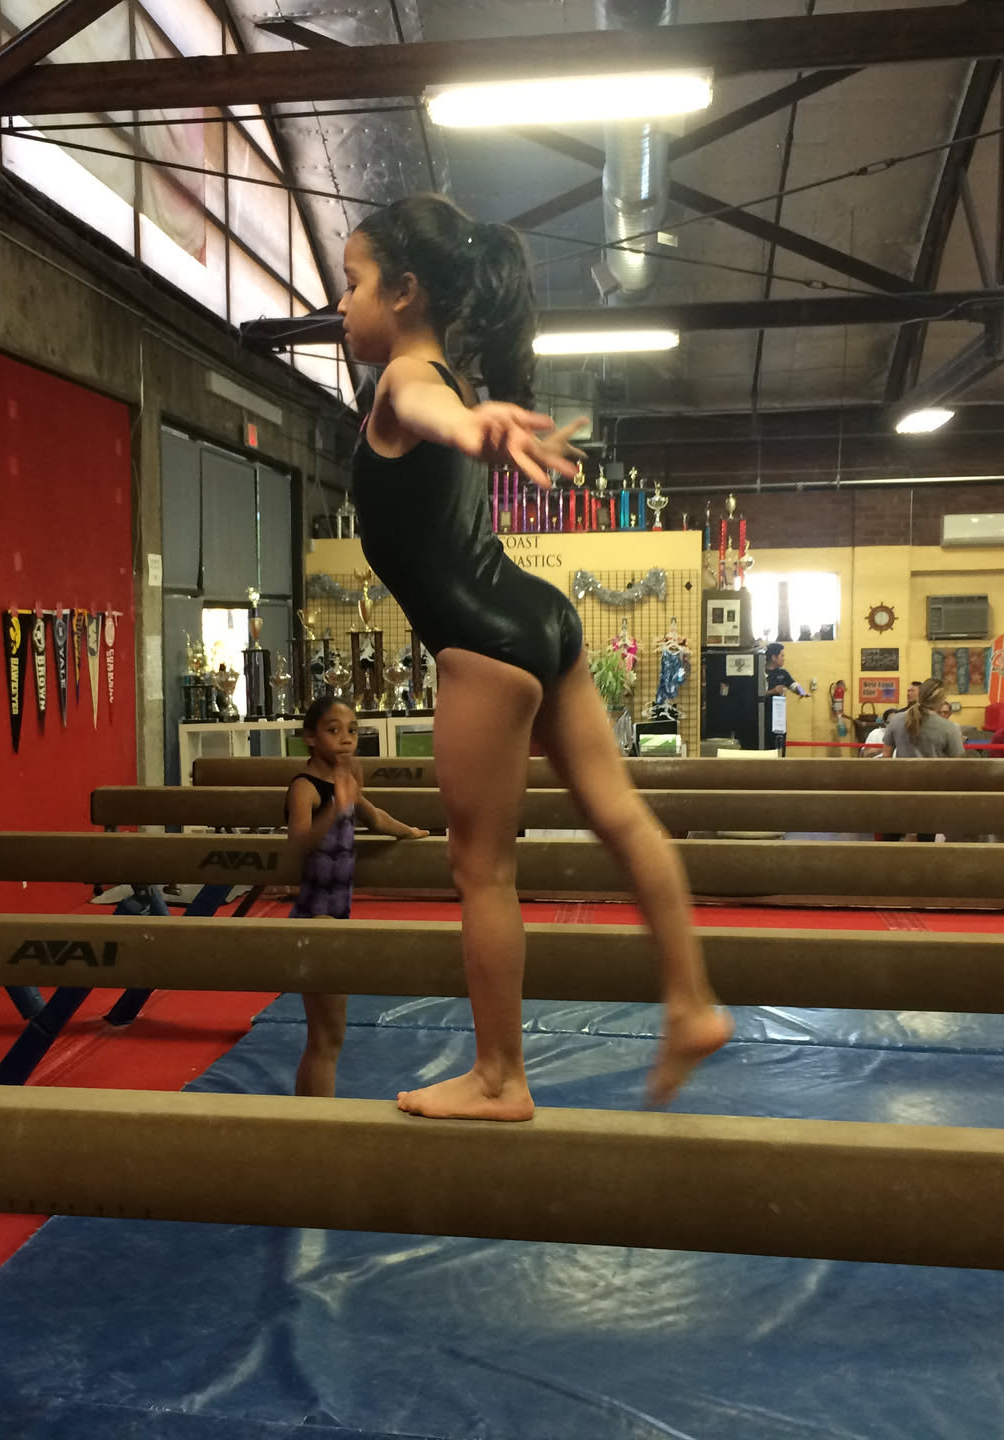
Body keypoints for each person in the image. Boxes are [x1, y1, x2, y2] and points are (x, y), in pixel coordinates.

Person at [340, 192, 730, 1119]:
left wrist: (470, 427)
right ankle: (691, 1002)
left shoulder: (409, 378)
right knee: (620, 814)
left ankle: (499, 1078)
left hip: (480, 641)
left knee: (482, 872)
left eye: (353, 283)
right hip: (539, 617)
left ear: (404, 291)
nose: (341, 304)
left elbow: (426, 407)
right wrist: (472, 423)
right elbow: (443, 413)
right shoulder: (443, 379)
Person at [283, 697, 428, 1098]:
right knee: (325, 1038)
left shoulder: (342, 785)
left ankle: (313, 1116)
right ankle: (315, 1120)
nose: (346, 738)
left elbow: (375, 817)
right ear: (310, 738)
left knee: (329, 1037)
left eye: (352, 730)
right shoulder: (305, 788)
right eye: (333, 730)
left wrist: (411, 832)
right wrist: (336, 807)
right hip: (315, 919)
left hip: (335, 917)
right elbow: (298, 844)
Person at [881, 679, 965, 758]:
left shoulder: (896, 720)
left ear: (919, 695)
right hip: (934, 769)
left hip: (901, 769)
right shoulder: (949, 727)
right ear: (942, 700)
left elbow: (886, 757)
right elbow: (956, 764)